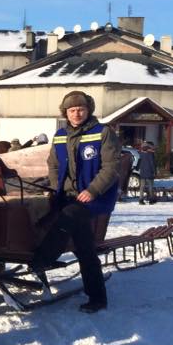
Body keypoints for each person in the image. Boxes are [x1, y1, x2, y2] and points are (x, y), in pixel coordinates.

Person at [31, 90, 120, 313]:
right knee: (85, 249)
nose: (76, 113)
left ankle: (43, 258)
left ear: (88, 110)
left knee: (69, 216)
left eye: (81, 109)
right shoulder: (60, 135)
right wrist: (54, 187)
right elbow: (52, 164)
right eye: (72, 110)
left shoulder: (103, 133)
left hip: (95, 198)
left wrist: (93, 190)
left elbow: (111, 167)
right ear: (65, 113)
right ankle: (97, 298)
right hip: (68, 196)